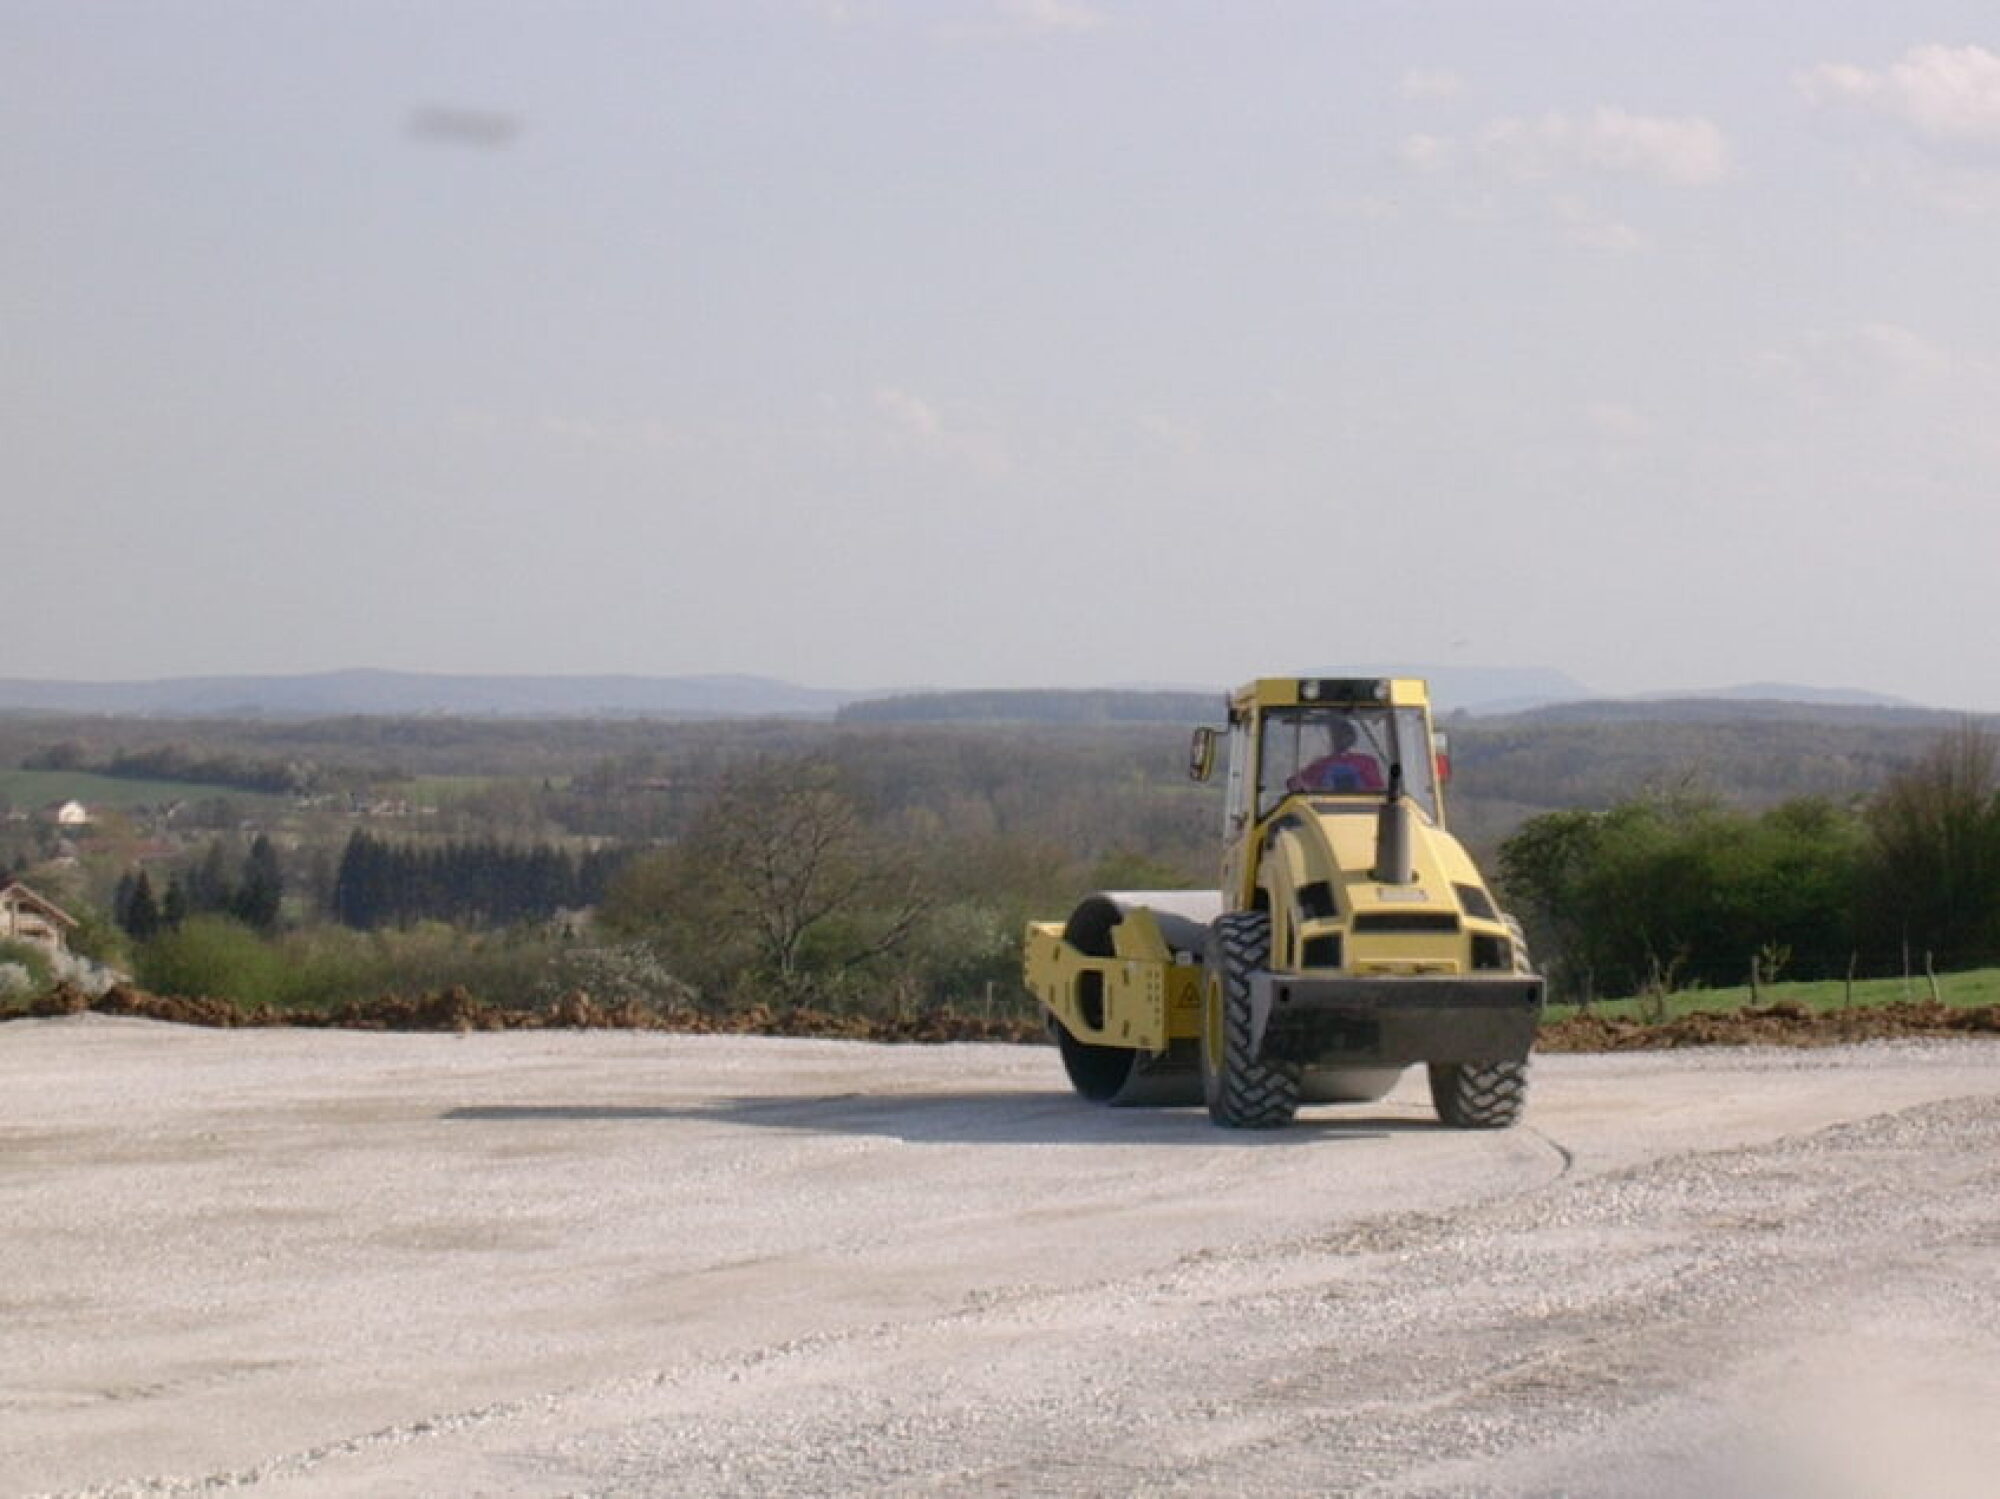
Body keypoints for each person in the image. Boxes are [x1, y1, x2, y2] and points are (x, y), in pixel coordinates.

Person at [1287, 717, 1385, 793]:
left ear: (1332, 738)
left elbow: (1294, 784)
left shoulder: (1321, 765)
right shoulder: (1368, 763)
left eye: (1335, 734)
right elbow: (1378, 791)